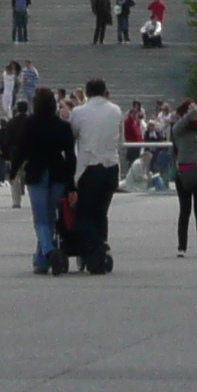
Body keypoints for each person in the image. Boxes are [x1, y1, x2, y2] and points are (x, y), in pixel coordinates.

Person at [10, 87, 76, 274]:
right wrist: (71, 184)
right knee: (50, 216)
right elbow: (71, 156)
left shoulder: (31, 124)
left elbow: (21, 149)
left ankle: (48, 251)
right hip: (58, 172)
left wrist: (13, 170)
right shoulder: (63, 126)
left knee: (40, 218)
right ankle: (41, 261)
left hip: (36, 172)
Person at [68, 77, 124, 271]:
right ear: (104, 91)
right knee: (101, 211)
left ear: (87, 92)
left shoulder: (79, 112)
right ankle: (101, 248)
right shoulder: (116, 110)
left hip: (89, 168)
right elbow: (121, 141)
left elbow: (72, 137)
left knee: (85, 214)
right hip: (111, 167)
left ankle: (96, 250)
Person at [169, 98, 197, 257]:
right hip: (184, 173)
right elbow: (182, 123)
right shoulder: (179, 130)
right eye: (191, 111)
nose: (195, 114)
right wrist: (195, 109)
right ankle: (182, 246)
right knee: (185, 210)